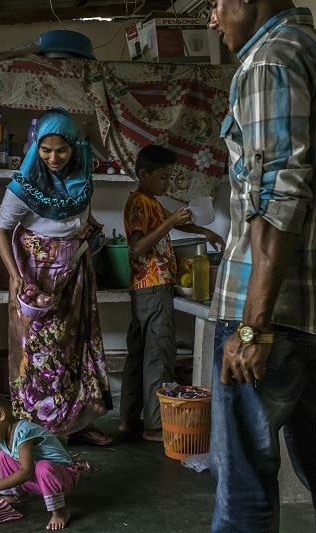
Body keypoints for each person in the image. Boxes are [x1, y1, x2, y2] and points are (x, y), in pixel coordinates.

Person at [208, 1, 316, 531]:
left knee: (244, 478)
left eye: (215, 4)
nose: (211, 19)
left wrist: (252, 325)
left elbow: (278, 191)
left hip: (273, 318)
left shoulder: (270, 60)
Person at [0, 107, 113, 446]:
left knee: (76, 346)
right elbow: (1, 230)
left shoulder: (82, 172)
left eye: (61, 149)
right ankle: (41, 431)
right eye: (45, 149)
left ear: (73, 145)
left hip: (75, 272)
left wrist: (85, 228)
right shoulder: (25, 184)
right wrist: (15, 275)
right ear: (36, 146)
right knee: (41, 352)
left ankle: (78, 422)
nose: (53, 157)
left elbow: (78, 216)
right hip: (37, 278)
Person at [120, 144, 224, 441]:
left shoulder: (150, 202)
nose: (168, 183)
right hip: (153, 287)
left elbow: (171, 225)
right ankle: (154, 427)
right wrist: (170, 223)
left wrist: (203, 231)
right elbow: (138, 247)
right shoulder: (140, 202)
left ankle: (129, 420)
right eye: (164, 177)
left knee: (139, 356)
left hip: (145, 289)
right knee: (158, 356)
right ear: (144, 174)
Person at [0, 387, 79, 530]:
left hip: (62, 476)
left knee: (43, 468)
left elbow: (26, 472)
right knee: (3, 456)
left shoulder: (22, 433)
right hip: (39, 479)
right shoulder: (2, 437)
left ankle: (60, 512)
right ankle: (17, 496)